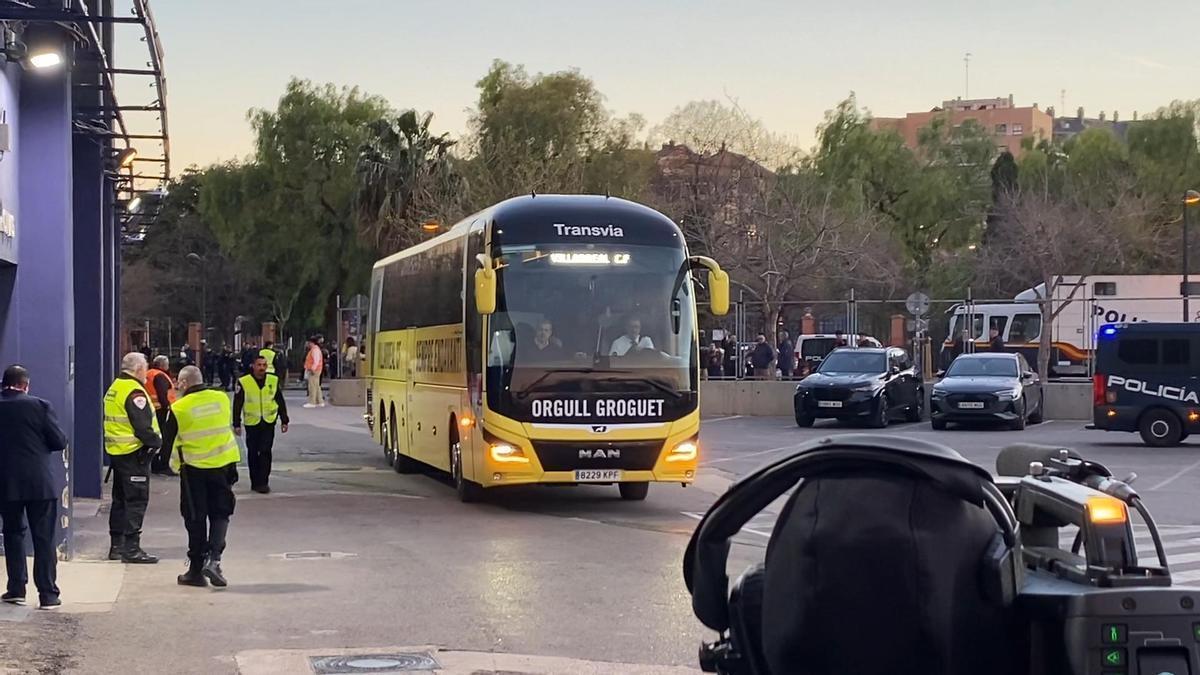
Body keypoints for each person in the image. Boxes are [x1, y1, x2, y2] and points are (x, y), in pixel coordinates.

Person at [0, 365, 68, 610]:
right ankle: (48, 594)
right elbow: (59, 441)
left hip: (6, 483)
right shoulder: (40, 406)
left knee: (12, 533)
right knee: (44, 537)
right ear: (25, 385)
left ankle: (16, 589)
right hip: (40, 483)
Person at [168, 366, 240, 588]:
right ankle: (214, 560)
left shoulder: (179, 408)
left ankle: (196, 570)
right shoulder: (222, 398)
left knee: (195, 518)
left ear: (183, 383)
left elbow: (167, 442)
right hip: (224, 465)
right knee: (221, 512)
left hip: (194, 470)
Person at [102, 352, 162, 564]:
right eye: (145, 368)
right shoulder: (134, 391)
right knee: (136, 500)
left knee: (120, 500)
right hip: (134, 454)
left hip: (118, 453)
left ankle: (116, 546)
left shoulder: (115, 387)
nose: (146, 372)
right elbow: (143, 427)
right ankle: (131, 549)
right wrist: (157, 443)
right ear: (138, 369)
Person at [234, 355, 289, 494]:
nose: (262, 368)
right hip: (252, 423)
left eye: (264, 365)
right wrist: (236, 423)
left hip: (268, 421)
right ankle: (255, 482)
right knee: (253, 452)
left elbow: (280, 400)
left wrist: (284, 420)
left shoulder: (273, 380)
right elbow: (237, 404)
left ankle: (263, 482)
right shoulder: (244, 382)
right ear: (253, 366)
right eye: (259, 365)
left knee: (265, 451)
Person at [145, 355, 178, 477]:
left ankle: (155, 463)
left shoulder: (149, 374)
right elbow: (162, 394)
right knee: (166, 439)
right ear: (163, 365)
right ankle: (162, 465)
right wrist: (168, 406)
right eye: (167, 364)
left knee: (156, 437)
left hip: (152, 410)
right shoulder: (160, 376)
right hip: (162, 411)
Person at [304, 336, 325, 408]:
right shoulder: (315, 349)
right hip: (317, 369)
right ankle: (320, 401)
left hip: (313, 370)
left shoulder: (314, 350)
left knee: (312, 386)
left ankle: (312, 402)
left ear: (311, 343)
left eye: (308, 343)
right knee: (316, 386)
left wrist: (313, 369)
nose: (308, 344)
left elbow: (316, 360)